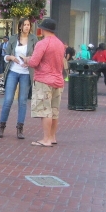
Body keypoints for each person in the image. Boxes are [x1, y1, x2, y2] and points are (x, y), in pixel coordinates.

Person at [20, 17, 65, 147]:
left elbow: (34, 62)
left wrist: (27, 59)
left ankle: (46, 139)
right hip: (58, 80)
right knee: (54, 110)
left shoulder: (42, 43)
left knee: (45, 111)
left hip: (44, 80)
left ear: (43, 29)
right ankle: (52, 136)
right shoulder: (60, 44)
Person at [0, 17, 38, 139]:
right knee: (8, 100)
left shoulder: (34, 39)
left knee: (22, 101)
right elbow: (6, 55)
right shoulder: (13, 38)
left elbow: (36, 56)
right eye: (25, 24)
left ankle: (20, 129)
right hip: (13, 71)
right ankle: (1, 127)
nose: (27, 27)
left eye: (28, 25)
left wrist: (29, 60)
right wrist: (11, 58)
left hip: (26, 73)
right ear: (20, 26)